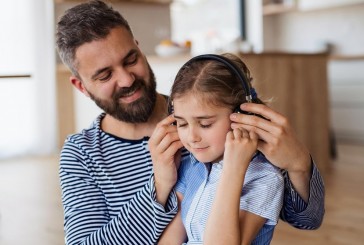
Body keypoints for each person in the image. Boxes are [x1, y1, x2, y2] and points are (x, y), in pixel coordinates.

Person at [55, 1, 324, 244]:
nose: (126, 79)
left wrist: (299, 164)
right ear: (81, 86)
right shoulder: (81, 154)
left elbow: (307, 220)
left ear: (139, 47)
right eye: (104, 75)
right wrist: (159, 186)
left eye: (131, 59)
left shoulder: (212, 115)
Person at [151, 53, 285, 244]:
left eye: (205, 124)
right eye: (182, 124)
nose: (192, 138)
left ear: (242, 116)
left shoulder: (265, 179)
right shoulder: (193, 165)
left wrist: (233, 168)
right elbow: (170, 240)